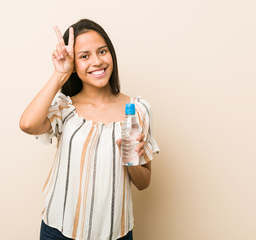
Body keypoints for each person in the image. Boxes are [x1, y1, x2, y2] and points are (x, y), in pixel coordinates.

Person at [19, 19, 160, 240]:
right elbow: (28, 124)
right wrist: (60, 74)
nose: (97, 61)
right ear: (74, 64)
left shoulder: (137, 111)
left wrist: (132, 160)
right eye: (84, 56)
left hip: (116, 233)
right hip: (59, 232)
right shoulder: (65, 107)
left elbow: (144, 183)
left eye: (102, 51)